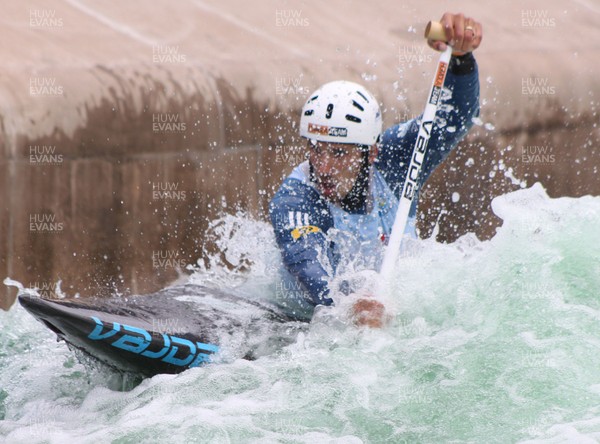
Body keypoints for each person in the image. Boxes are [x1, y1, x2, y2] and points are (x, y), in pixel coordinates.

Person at [269, 12, 483, 327]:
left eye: (340, 153)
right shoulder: (297, 197)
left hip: (388, 321)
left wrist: (461, 61)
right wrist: (348, 307)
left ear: (372, 152)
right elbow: (305, 260)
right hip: (305, 324)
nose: (324, 166)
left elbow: (452, 119)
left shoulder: (394, 162)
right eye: (316, 149)